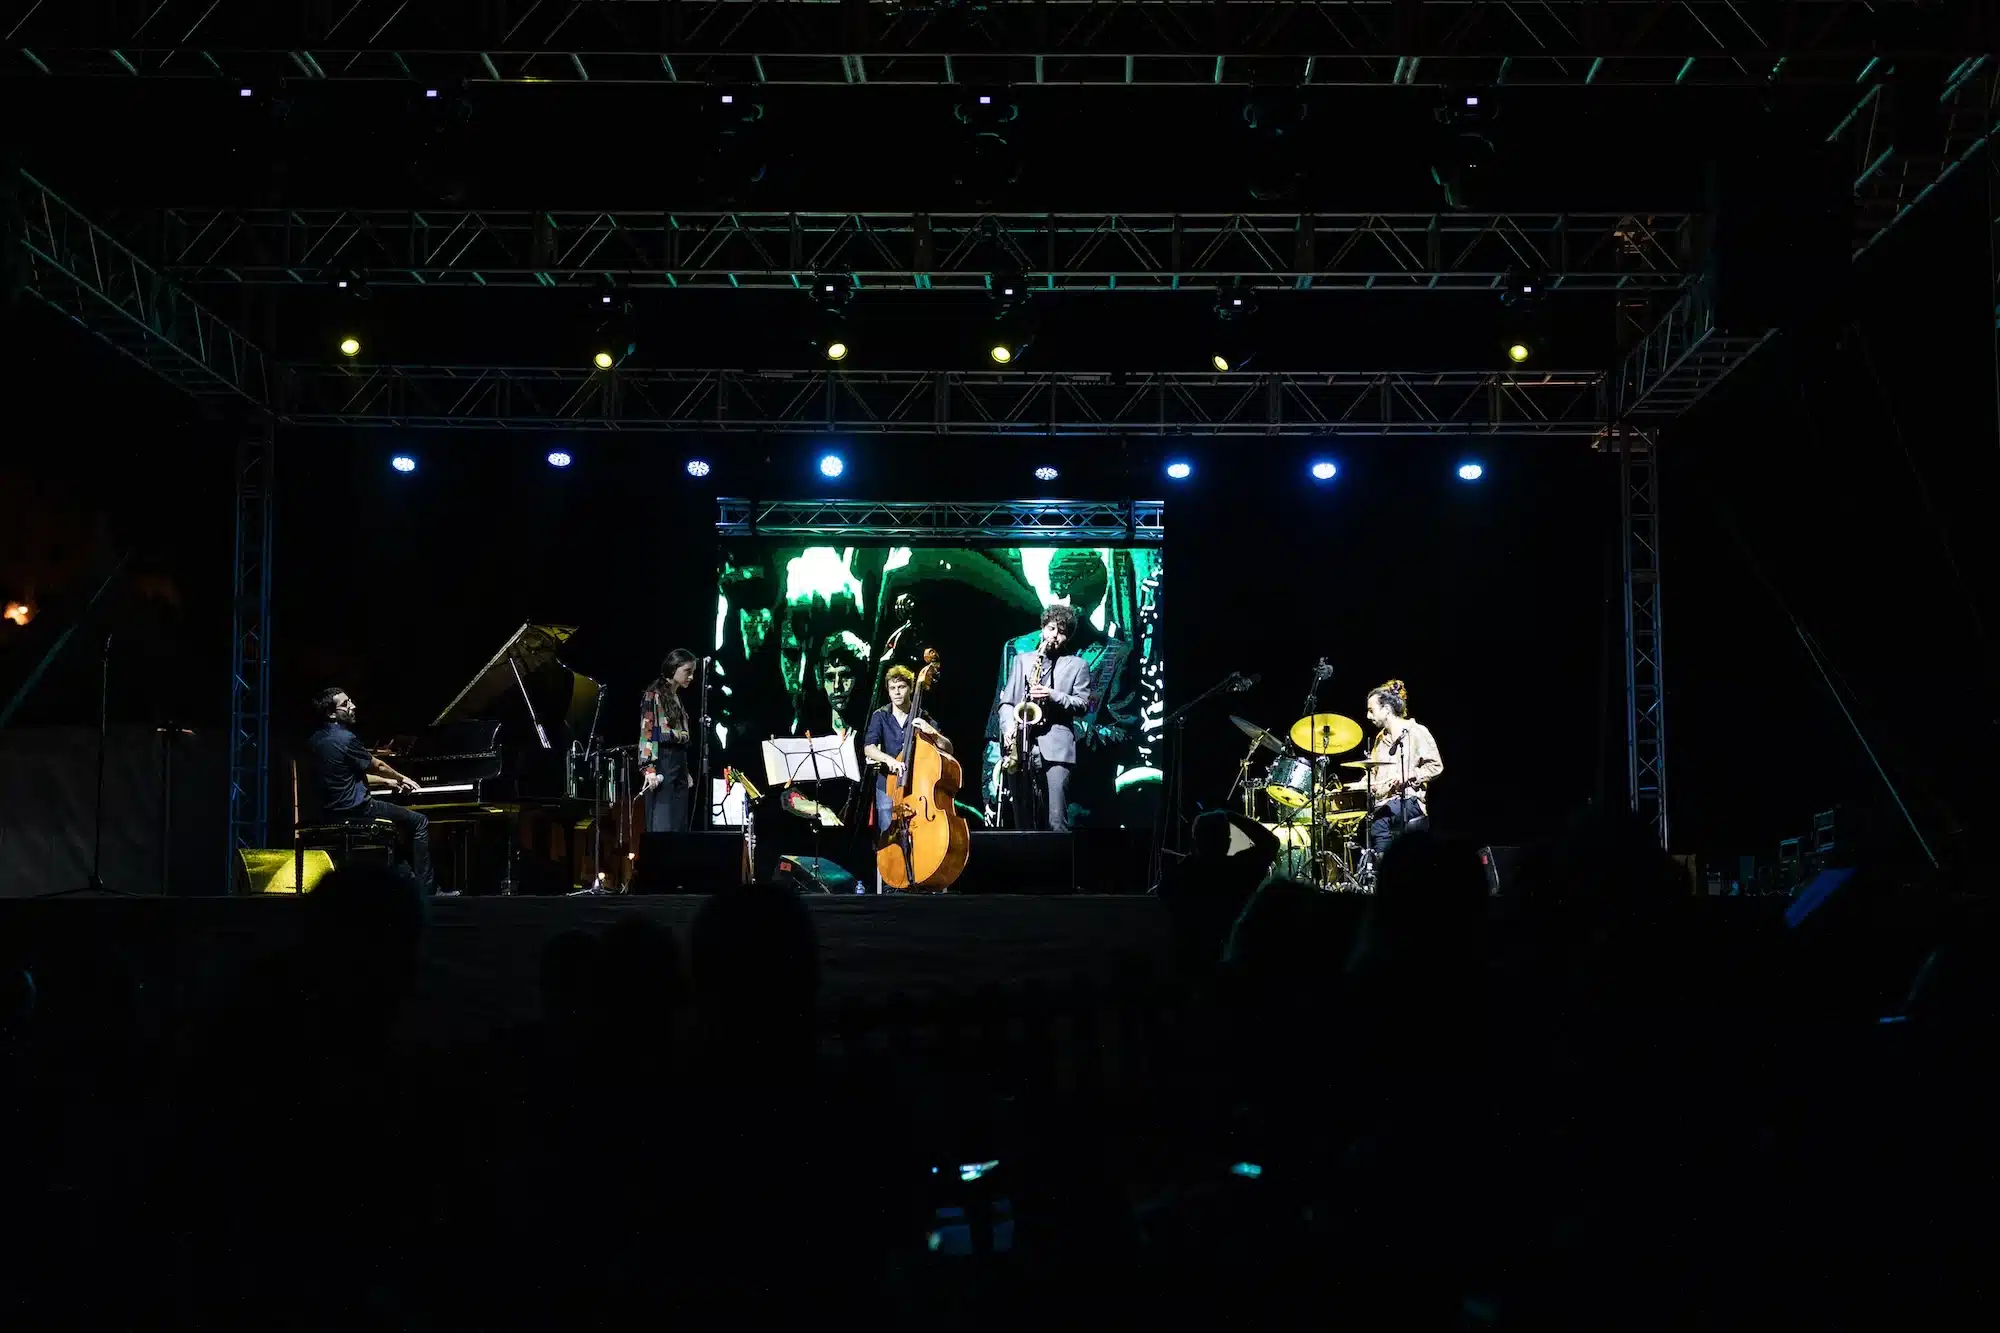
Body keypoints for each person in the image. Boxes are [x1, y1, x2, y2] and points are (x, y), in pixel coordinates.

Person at [304, 687, 436, 894]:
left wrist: (386, 782)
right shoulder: (346, 739)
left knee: (397, 828)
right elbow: (378, 766)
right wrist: (401, 778)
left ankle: (402, 882)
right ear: (331, 713)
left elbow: (347, 774)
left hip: (328, 812)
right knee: (419, 822)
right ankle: (426, 890)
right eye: (345, 704)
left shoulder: (314, 740)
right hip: (358, 810)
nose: (353, 706)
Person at [996, 604, 1095, 833]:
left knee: (1056, 822)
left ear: (1068, 637)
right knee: (1022, 823)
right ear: (1042, 629)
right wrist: (1009, 727)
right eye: (1051, 629)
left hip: (1057, 750)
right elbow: (1007, 703)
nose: (1054, 636)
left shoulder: (1078, 665)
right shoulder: (1022, 661)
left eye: (1061, 632)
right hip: (1021, 747)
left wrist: (1052, 695)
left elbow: (1082, 705)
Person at [861, 664, 954, 838]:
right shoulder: (880, 715)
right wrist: (889, 760)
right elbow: (869, 748)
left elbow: (948, 749)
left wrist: (932, 733)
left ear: (911, 688)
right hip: (887, 786)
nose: (897, 692)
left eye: (901, 687)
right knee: (888, 835)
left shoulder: (922, 716)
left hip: (916, 786)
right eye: (892, 688)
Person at [1362, 679, 1443, 856]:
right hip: (1384, 803)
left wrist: (1410, 775)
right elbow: (1373, 774)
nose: (1368, 716)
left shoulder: (1416, 731)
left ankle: (1382, 867)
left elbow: (1436, 766)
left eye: (1371, 710)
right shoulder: (1380, 739)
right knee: (1366, 821)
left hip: (1410, 801)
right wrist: (1362, 784)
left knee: (1380, 821)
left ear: (1386, 710)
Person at [640, 649, 700, 833]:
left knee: (679, 824)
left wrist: (685, 771)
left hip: (678, 761)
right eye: (687, 671)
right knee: (662, 822)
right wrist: (649, 768)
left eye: (692, 672)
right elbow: (647, 732)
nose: (691, 677)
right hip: (663, 760)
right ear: (674, 668)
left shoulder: (676, 697)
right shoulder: (653, 695)